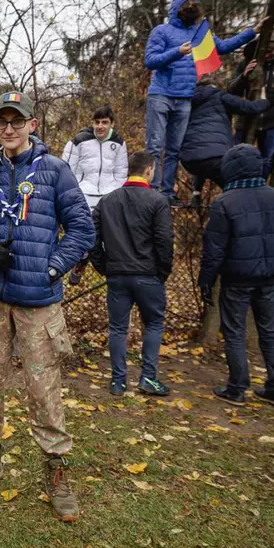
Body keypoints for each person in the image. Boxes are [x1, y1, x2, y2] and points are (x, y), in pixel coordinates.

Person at [0, 91, 95, 523]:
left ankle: (56, 469)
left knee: (42, 387)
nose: (9, 128)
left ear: (33, 125)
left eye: (17, 121)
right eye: (1, 122)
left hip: (39, 303)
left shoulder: (54, 172)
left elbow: (82, 229)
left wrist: (53, 267)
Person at [199, 144, 274, 408]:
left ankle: (237, 387)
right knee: (269, 330)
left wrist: (205, 281)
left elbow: (214, 250)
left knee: (235, 331)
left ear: (230, 169)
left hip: (237, 279)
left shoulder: (225, 203)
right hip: (270, 278)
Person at [144, 0, 261, 204]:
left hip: (185, 98)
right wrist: (177, 52)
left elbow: (224, 47)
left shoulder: (200, 33)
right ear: (177, 8)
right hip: (161, 94)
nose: (191, 8)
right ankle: (152, 191)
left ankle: (168, 193)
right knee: (154, 145)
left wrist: (252, 32)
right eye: (187, 4)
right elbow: (151, 60)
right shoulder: (162, 31)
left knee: (174, 149)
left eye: (194, 5)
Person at [89, 151, 173, 397]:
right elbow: (165, 240)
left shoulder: (107, 201)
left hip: (117, 275)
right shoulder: (158, 201)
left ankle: (118, 381)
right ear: (149, 170)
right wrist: (162, 272)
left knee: (117, 328)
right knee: (154, 324)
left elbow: (93, 239)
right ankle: (148, 377)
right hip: (148, 275)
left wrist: (103, 266)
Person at [179, 74, 270, 206]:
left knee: (202, 160)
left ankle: (196, 194)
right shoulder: (219, 95)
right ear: (213, 86)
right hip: (216, 157)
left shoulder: (190, 101)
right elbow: (249, 107)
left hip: (189, 160)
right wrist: (265, 100)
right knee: (235, 188)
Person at [61, 105, 128, 284]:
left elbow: (121, 172)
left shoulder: (119, 143)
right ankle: (78, 263)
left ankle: (110, 274)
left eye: (104, 122)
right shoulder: (79, 140)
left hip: (108, 196)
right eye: (97, 122)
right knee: (85, 233)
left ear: (111, 123)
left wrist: (115, 193)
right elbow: (66, 169)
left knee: (107, 238)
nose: (100, 126)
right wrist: (74, 192)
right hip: (84, 194)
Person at [228, 25, 274, 178]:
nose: (268, 54)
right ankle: (235, 189)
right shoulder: (247, 62)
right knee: (236, 156)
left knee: (267, 159)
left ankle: (259, 191)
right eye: (266, 50)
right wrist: (244, 76)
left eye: (272, 51)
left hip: (273, 119)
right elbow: (231, 89)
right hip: (246, 118)